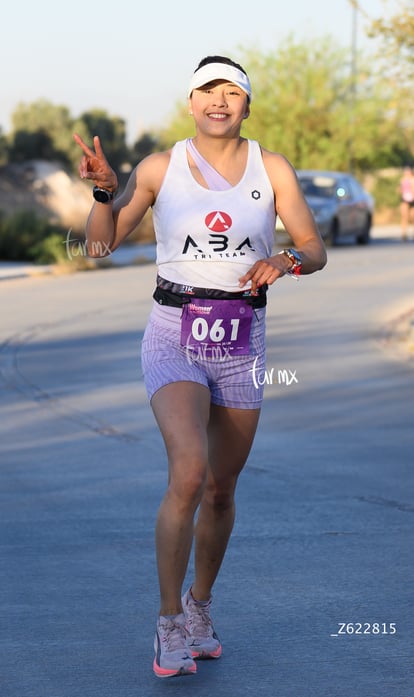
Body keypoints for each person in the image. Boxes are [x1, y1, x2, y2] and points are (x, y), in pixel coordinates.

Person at [74, 55, 327, 680]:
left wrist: (287, 261)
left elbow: (315, 246)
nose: (219, 101)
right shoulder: (160, 168)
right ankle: (166, 624)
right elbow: (98, 247)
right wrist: (106, 194)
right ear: (191, 103)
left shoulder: (272, 169)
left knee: (221, 488)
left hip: (242, 341)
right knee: (188, 473)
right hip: (173, 335)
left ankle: (199, 607)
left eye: (232, 92)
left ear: (247, 105)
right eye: (207, 91)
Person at [399, 166, 414, 241]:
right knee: (404, 216)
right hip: (404, 199)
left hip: (412, 200)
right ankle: (404, 233)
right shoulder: (402, 180)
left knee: (412, 217)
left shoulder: (412, 179)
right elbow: (400, 189)